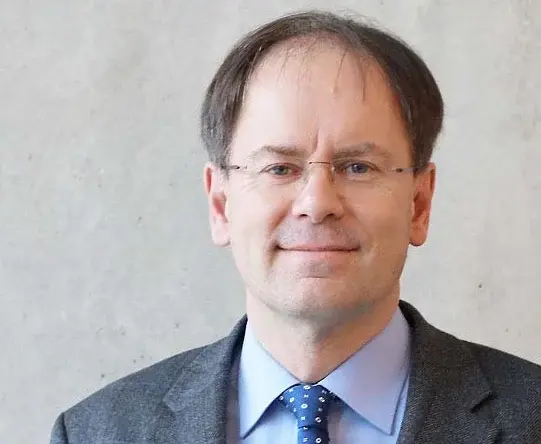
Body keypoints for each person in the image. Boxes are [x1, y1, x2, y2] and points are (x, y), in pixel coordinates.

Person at [50, 10, 541, 444]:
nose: (317, 204)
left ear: (419, 203)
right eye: (279, 168)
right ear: (220, 204)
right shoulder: (98, 432)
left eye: (358, 167)